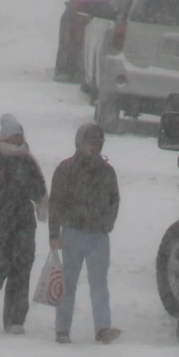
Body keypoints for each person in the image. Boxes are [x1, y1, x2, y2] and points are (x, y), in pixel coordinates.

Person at [0, 114, 48, 334]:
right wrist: (8, 193)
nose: (18, 139)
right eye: (14, 135)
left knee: (21, 267)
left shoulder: (28, 161)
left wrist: (32, 194)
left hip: (23, 222)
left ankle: (15, 320)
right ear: (5, 137)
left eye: (20, 135)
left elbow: (39, 190)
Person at [49, 123, 121, 344]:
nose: (95, 147)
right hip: (72, 233)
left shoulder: (107, 172)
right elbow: (56, 203)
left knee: (99, 283)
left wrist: (107, 223)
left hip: (98, 236)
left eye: (99, 143)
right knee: (68, 283)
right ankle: (62, 329)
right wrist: (54, 233)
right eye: (91, 143)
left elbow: (114, 200)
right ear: (80, 143)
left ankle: (102, 329)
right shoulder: (66, 169)